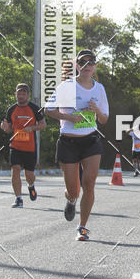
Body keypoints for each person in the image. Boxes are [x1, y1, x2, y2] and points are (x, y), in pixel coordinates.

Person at [45, 49, 109, 240]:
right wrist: (70, 117)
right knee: (74, 189)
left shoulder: (99, 89)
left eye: (91, 62)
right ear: (77, 66)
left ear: (95, 66)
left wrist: (96, 110)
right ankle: (71, 200)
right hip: (69, 142)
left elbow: (104, 119)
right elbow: (49, 110)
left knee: (89, 183)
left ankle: (82, 227)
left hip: (90, 140)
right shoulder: (66, 87)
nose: (87, 66)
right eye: (83, 62)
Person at [1, 84, 45, 207]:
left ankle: (31, 186)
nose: (20, 96)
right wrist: (5, 128)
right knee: (15, 170)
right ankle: (18, 198)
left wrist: (32, 128)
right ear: (15, 94)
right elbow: (9, 129)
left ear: (28, 95)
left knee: (29, 175)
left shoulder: (34, 108)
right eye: (19, 93)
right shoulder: (11, 109)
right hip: (15, 146)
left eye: (23, 93)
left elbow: (43, 124)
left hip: (30, 147)